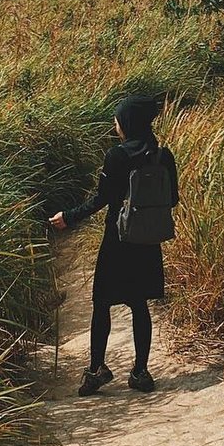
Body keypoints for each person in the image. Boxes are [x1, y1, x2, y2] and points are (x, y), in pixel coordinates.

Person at [49, 95, 178, 396]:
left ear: (127, 123)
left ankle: (96, 370)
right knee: (140, 304)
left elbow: (101, 200)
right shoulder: (163, 156)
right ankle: (141, 372)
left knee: (102, 303)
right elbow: (173, 199)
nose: (115, 125)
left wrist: (68, 217)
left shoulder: (117, 156)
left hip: (117, 240)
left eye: (117, 120)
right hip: (148, 240)